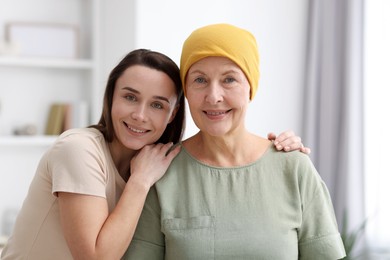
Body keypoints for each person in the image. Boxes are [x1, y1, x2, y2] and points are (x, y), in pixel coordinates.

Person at [1, 49, 306, 259]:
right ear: (110, 98)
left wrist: (280, 146)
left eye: (158, 104)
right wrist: (139, 182)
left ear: (173, 114)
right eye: (130, 97)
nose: (140, 115)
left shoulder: (158, 162)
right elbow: (95, 257)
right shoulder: (79, 150)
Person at [124, 24, 346, 259]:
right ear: (186, 91)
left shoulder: (294, 167)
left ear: (250, 87)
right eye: (200, 80)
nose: (213, 96)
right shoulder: (161, 172)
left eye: (229, 79)